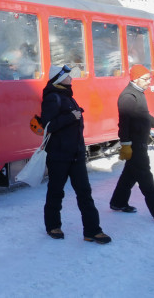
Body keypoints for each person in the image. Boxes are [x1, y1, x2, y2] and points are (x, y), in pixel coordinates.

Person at [41, 65, 111, 244]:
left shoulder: (67, 96)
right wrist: (71, 117)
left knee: (85, 193)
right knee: (56, 191)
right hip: (59, 155)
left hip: (76, 153)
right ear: (58, 79)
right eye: (67, 76)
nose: (71, 78)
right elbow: (48, 126)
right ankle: (53, 226)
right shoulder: (52, 97)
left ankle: (92, 231)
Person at [109, 64, 154, 223]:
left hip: (140, 142)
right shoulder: (128, 97)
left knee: (129, 175)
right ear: (136, 79)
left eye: (150, 79)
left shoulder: (138, 93)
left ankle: (117, 202)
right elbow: (123, 124)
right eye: (146, 79)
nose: (149, 82)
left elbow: (144, 116)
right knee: (146, 178)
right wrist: (126, 144)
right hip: (134, 145)